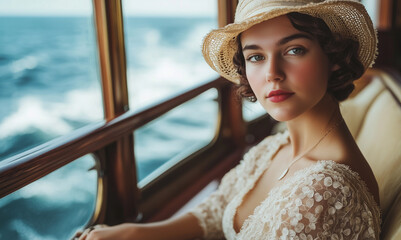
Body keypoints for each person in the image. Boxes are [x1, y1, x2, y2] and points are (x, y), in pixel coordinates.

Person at [76, 0, 381, 239]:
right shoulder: (276, 147)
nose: (272, 72)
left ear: (334, 57)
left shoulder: (324, 191)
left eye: (294, 49)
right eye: (256, 56)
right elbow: (222, 206)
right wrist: (136, 232)